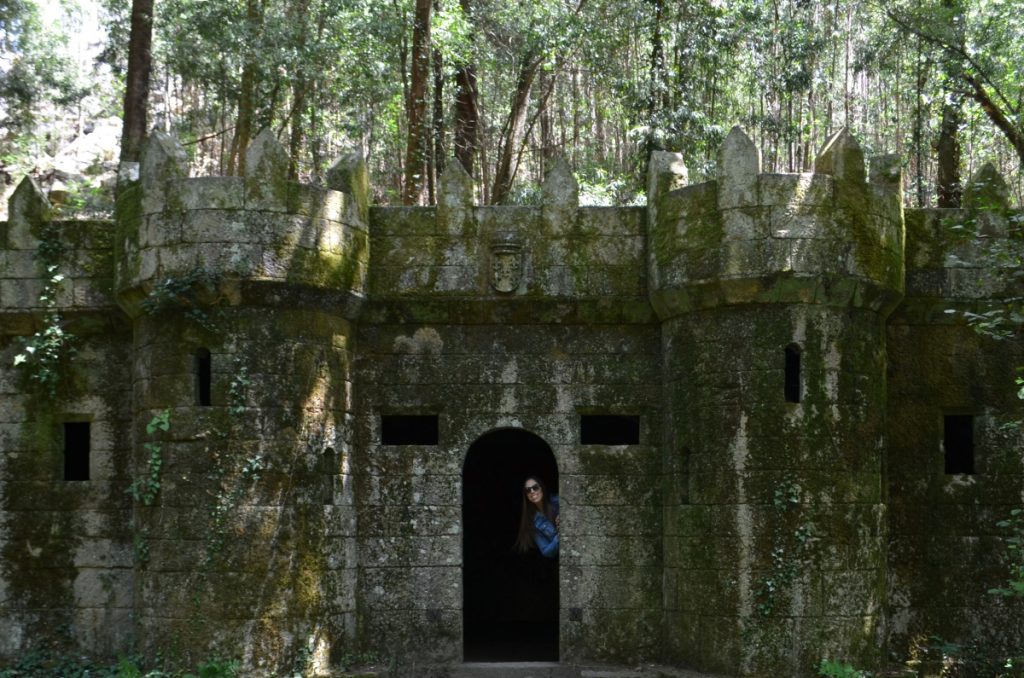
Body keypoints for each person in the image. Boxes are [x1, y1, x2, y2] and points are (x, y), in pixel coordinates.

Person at [515, 476, 559, 558]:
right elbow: (546, 551)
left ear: (541, 488)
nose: (532, 491)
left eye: (535, 487)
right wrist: (558, 538)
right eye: (528, 490)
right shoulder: (534, 522)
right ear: (526, 496)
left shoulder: (557, 501)